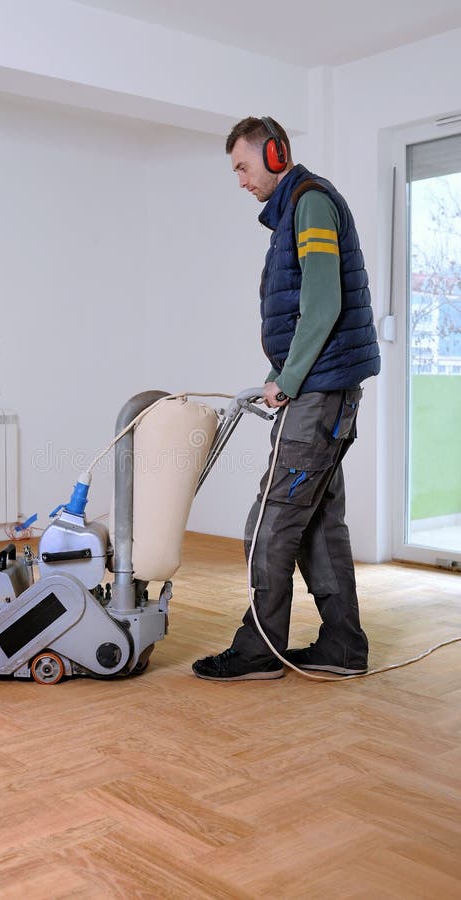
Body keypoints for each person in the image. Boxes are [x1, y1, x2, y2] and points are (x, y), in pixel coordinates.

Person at [192, 116, 381, 682]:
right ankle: (342, 647)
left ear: (275, 155)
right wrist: (281, 374)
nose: (241, 180)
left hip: (320, 392)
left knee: (271, 520)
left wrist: (291, 379)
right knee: (320, 522)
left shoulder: (311, 202)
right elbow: (301, 310)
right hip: (318, 389)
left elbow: (322, 305)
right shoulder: (292, 214)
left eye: (243, 166)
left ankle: (259, 649)